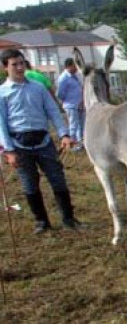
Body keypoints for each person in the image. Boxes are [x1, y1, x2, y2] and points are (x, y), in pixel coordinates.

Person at [0, 49, 80, 234]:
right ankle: (42, 222)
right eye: (14, 64)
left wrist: (64, 134)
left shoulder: (38, 87)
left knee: (58, 179)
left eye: (21, 63)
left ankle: (69, 219)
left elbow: (53, 111)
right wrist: (9, 151)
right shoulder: (2, 93)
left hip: (43, 141)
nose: (20, 67)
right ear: (6, 68)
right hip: (19, 144)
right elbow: (1, 123)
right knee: (29, 184)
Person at [56, 58, 85, 151]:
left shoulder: (75, 76)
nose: (76, 68)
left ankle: (80, 144)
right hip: (71, 105)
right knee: (73, 125)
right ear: (69, 66)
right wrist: (67, 101)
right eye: (74, 66)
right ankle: (72, 144)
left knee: (81, 125)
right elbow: (59, 93)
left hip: (79, 104)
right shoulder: (63, 78)